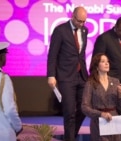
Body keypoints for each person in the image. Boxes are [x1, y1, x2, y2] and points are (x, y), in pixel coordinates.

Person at [47, 6, 88, 141]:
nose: (81, 24)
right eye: (79, 21)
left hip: (81, 75)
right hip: (66, 77)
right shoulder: (60, 31)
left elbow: (80, 55)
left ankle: (69, 136)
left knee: (84, 109)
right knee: (69, 112)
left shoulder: (84, 30)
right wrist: (51, 75)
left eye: (84, 21)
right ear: (72, 16)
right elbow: (53, 54)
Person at [82, 53, 121, 141]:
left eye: (107, 61)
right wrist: (101, 114)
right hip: (99, 121)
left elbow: (120, 106)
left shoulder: (115, 81)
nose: (107, 63)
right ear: (96, 66)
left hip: (114, 120)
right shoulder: (90, 83)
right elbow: (84, 107)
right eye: (103, 61)